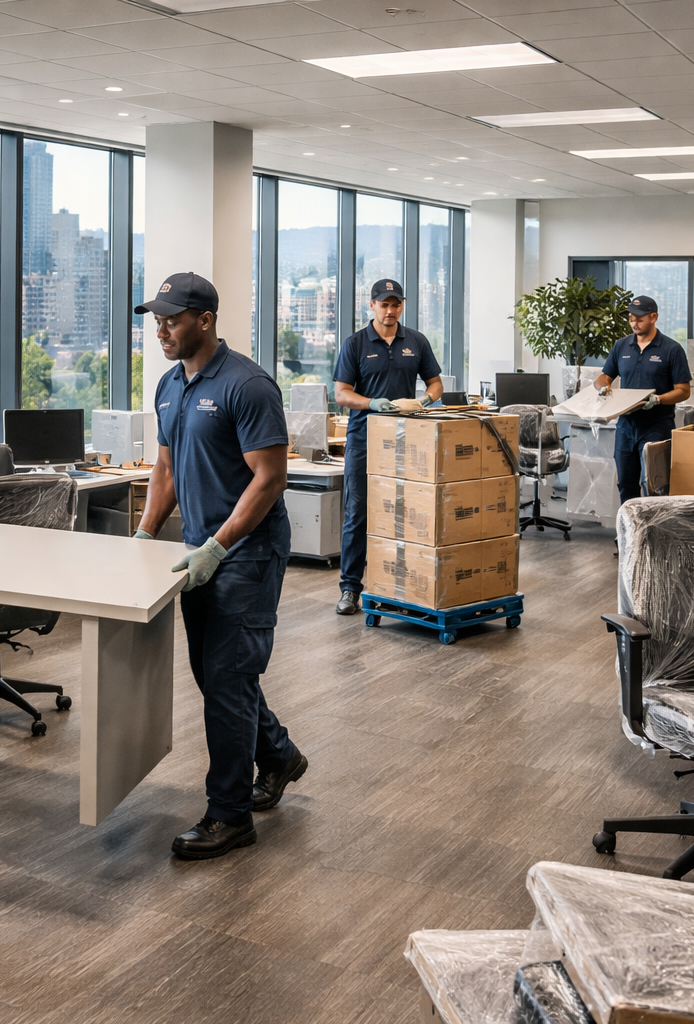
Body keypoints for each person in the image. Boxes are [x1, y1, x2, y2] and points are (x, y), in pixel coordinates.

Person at [133, 272, 307, 861]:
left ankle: (229, 815)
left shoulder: (247, 385)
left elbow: (270, 478)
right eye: (155, 317)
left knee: (227, 685)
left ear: (204, 320)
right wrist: (145, 533)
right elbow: (166, 470)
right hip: (198, 555)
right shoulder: (168, 385)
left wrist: (219, 546)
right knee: (216, 678)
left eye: (172, 318)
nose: (160, 327)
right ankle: (279, 755)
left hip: (247, 553)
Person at [331, 279, 443, 616]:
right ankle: (350, 589)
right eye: (384, 305)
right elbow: (341, 393)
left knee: (404, 514)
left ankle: (401, 588)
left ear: (402, 305)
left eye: (396, 305)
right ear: (372, 306)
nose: (390, 311)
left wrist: (424, 400)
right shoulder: (355, 344)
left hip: (407, 441)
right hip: (364, 441)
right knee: (358, 514)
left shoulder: (417, 342)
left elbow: (436, 382)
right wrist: (371, 404)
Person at [594, 295, 692, 505]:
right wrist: (603, 385)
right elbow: (604, 376)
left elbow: (683, 390)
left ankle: (653, 534)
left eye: (639, 319)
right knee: (626, 484)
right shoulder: (621, 346)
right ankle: (629, 533)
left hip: (656, 426)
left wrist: (658, 400)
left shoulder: (671, 349)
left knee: (654, 485)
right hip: (626, 426)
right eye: (631, 318)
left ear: (653, 317)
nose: (634, 323)